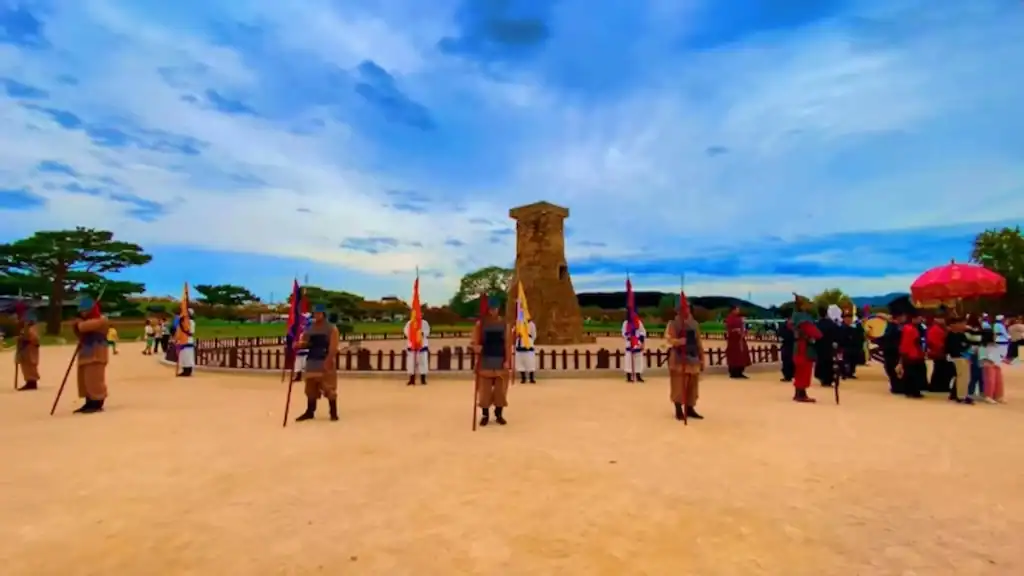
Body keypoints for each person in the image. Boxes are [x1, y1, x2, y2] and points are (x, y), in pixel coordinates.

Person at [293, 304, 341, 422]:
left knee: (328, 388)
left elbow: (333, 346)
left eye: (319, 313)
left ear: (324, 314)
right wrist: (299, 345)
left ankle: (333, 413)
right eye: (315, 313)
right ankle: (310, 411)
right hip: (312, 359)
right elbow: (306, 342)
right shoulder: (310, 328)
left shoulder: (331, 328)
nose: (317, 315)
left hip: (324, 359)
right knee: (310, 388)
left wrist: (329, 360)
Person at [664, 293, 704, 420]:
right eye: (683, 308)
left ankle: (690, 407)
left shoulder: (694, 324)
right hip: (678, 358)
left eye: (687, 307)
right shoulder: (673, 324)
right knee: (678, 385)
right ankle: (678, 409)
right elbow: (668, 338)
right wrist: (678, 341)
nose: (685, 310)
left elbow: (699, 342)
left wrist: (702, 358)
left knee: (692, 385)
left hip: (692, 358)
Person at [472, 297, 511, 426]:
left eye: (495, 308)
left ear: (498, 309)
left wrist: (508, 360)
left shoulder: (504, 324)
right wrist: (475, 347)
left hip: (500, 360)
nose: (493, 311)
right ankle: (485, 415)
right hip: (485, 360)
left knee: (500, 391)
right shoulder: (481, 324)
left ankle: (499, 414)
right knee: (484, 391)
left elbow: (508, 343)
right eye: (491, 309)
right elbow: (474, 341)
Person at [72, 297, 110, 414]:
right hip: (85, 353)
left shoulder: (101, 320)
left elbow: (83, 327)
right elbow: (78, 331)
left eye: (85, 311)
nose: (83, 313)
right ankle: (88, 401)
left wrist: (78, 323)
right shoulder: (84, 321)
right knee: (85, 381)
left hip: (97, 354)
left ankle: (97, 402)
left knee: (94, 380)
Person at [791, 294, 823, 403]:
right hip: (804, 346)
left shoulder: (794, 317)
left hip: (798, 345)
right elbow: (817, 334)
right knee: (804, 369)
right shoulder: (804, 319)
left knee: (799, 370)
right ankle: (801, 394)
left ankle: (798, 393)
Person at [897, 304, 927, 399]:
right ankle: (915, 391)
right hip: (913, 354)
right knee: (915, 374)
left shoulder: (907, 328)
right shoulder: (913, 329)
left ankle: (908, 391)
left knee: (909, 374)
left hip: (908, 353)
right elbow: (915, 342)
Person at [944, 315, 974, 404]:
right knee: (962, 377)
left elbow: (967, 345)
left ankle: (956, 394)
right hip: (956, 358)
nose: (964, 325)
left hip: (964, 357)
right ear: (954, 324)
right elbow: (951, 348)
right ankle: (961, 396)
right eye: (962, 323)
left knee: (965, 377)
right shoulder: (951, 335)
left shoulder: (961, 334)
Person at [926, 312, 953, 394]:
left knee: (941, 369)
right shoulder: (935, 329)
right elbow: (935, 342)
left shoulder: (940, 328)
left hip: (940, 353)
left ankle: (940, 386)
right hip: (939, 353)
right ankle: (938, 386)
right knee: (940, 370)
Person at [15, 311, 41, 391]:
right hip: (25, 349)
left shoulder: (31, 328)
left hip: (29, 348)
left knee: (30, 365)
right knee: (26, 365)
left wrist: (24, 339)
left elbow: (35, 339)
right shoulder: (26, 328)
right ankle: (29, 381)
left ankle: (32, 382)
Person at [981, 323, 1005, 404]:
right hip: (988, 365)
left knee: (999, 381)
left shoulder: (995, 345)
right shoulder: (983, 346)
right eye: (994, 335)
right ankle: (988, 396)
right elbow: (982, 356)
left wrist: (1002, 359)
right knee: (990, 381)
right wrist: (987, 360)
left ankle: (999, 396)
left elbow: (999, 354)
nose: (995, 336)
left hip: (997, 364)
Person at [814, 305, 837, 387]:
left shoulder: (817, 324)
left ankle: (822, 378)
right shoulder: (831, 323)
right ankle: (829, 379)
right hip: (829, 346)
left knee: (821, 362)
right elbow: (836, 334)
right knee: (829, 362)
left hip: (820, 346)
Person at [724, 306, 750, 379]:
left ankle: (739, 371)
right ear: (733, 310)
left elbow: (742, 327)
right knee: (734, 356)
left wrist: (743, 332)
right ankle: (733, 372)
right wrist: (737, 331)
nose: (738, 311)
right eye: (737, 309)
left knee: (741, 356)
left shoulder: (739, 319)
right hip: (734, 339)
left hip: (740, 339)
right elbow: (729, 329)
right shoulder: (730, 318)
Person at [404, 317, 431, 386]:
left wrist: (420, 333)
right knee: (411, 363)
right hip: (412, 345)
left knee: (423, 362)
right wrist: (412, 334)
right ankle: (412, 379)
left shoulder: (424, 323)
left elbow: (427, 331)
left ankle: (423, 379)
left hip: (422, 346)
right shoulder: (410, 323)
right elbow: (406, 331)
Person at [840, 308, 865, 378]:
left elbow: (861, 336)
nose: (848, 319)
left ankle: (851, 372)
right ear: (843, 319)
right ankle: (844, 373)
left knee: (853, 361)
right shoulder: (841, 327)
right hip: (845, 348)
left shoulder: (857, 326)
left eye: (849, 317)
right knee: (845, 361)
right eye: (846, 318)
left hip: (854, 348)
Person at [622, 317, 647, 383]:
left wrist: (641, 339)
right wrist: (629, 336)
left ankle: (638, 375)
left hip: (637, 342)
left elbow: (643, 331)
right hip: (629, 343)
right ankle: (629, 376)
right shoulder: (626, 323)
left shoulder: (638, 322)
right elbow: (624, 332)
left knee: (638, 360)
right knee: (628, 360)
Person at [515, 317, 538, 384]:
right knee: (520, 361)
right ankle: (523, 377)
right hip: (520, 344)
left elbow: (534, 335)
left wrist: (530, 341)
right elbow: (515, 333)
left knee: (530, 361)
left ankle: (531, 378)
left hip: (528, 343)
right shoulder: (518, 323)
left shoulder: (531, 324)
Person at [293, 312, 312, 382]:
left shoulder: (310, 329)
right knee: (298, 364)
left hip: (307, 350)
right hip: (299, 350)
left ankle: (309, 377)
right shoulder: (298, 330)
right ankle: (298, 375)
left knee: (307, 364)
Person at [177, 309, 196, 377]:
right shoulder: (186, 321)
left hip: (188, 340)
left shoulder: (190, 322)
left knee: (187, 356)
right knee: (184, 356)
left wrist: (181, 322)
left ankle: (188, 371)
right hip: (185, 339)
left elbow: (186, 330)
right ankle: (185, 370)